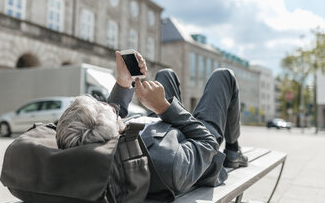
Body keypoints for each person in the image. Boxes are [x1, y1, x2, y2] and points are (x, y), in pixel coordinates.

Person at [56, 51, 248, 195]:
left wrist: (124, 81)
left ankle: (160, 97)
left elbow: (106, 117)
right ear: (116, 132)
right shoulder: (169, 164)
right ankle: (233, 150)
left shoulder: (102, 142)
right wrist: (164, 108)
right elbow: (208, 143)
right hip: (197, 139)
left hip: (163, 131)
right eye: (114, 113)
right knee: (224, 76)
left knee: (165, 75)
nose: (115, 109)